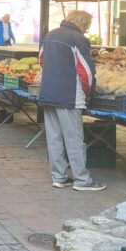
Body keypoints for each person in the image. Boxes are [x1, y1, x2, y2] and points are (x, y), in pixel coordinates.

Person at [39, 10, 104, 191]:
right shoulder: (78, 39)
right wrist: (89, 92)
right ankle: (82, 180)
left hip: (48, 93)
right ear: (82, 24)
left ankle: (58, 177)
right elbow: (86, 71)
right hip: (68, 95)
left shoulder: (49, 35)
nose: (86, 30)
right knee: (74, 138)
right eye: (87, 27)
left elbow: (41, 60)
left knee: (54, 138)